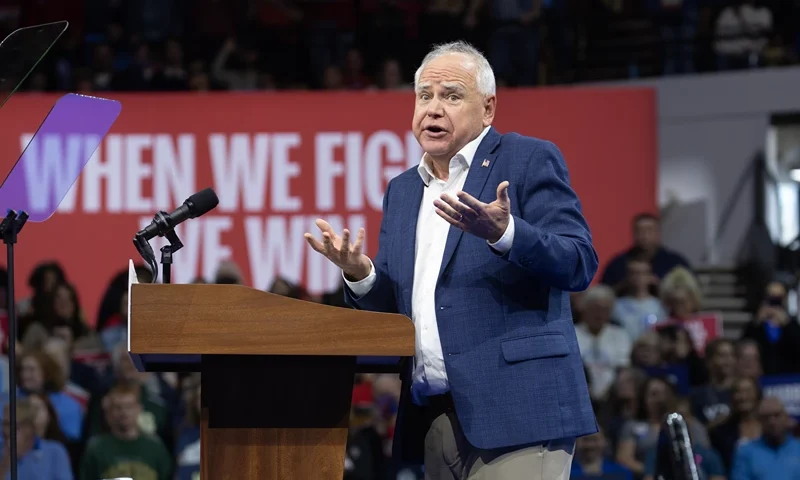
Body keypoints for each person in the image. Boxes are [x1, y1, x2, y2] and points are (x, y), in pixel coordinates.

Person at [305, 40, 597, 479]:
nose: (433, 108)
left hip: (519, 412)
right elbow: (401, 306)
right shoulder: (403, 190)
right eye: (425, 95)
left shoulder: (527, 158)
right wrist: (360, 274)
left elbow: (579, 261)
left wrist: (506, 233)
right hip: (436, 418)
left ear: (488, 108)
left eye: (452, 96)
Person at [600, 214, 690, 291]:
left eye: (649, 230)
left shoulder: (675, 263)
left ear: (658, 233)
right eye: (640, 231)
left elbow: (690, 292)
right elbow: (604, 292)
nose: (645, 235)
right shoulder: (618, 264)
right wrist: (626, 285)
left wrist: (661, 286)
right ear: (633, 234)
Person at [0, 398, 72, 480]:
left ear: (30, 427)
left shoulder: (55, 452)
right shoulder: (2, 452)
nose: (6, 430)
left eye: (12, 425)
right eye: (4, 424)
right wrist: (7, 458)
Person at [730, 397, 800, 480]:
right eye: (766, 417)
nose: (772, 421)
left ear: (786, 417)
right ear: (759, 421)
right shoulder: (745, 452)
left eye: (776, 415)